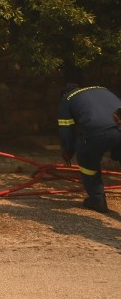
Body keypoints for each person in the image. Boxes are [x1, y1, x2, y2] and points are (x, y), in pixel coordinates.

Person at [57, 84, 121, 213]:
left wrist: (68, 150)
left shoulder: (67, 99)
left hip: (98, 131)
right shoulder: (103, 89)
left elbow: (66, 129)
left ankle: (97, 199)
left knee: (86, 157)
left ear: (64, 94)